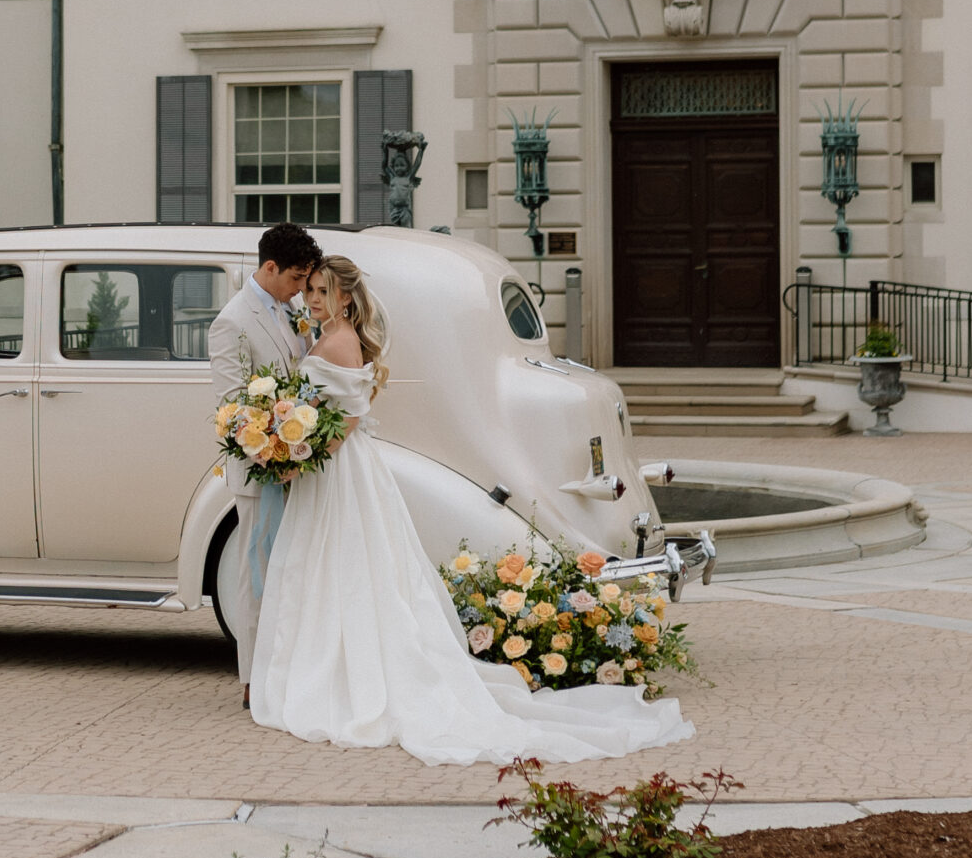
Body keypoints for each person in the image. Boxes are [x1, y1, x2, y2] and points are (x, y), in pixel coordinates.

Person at [249, 254, 694, 767]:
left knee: (348, 564)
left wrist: (299, 457)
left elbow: (347, 419)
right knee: (333, 566)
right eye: (310, 292)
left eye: (323, 292)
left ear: (346, 296)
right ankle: (329, 664)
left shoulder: (340, 342)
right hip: (336, 472)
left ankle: (347, 676)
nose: (314, 300)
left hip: (339, 469)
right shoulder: (327, 339)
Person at [207, 220, 321, 705]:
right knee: (256, 573)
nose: (303, 290)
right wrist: (277, 453)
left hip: (298, 467)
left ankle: (288, 671)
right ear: (270, 268)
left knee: (289, 571)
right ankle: (253, 681)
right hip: (262, 473)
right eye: (297, 278)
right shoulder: (232, 321)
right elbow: (232, 409)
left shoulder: (289, 308)